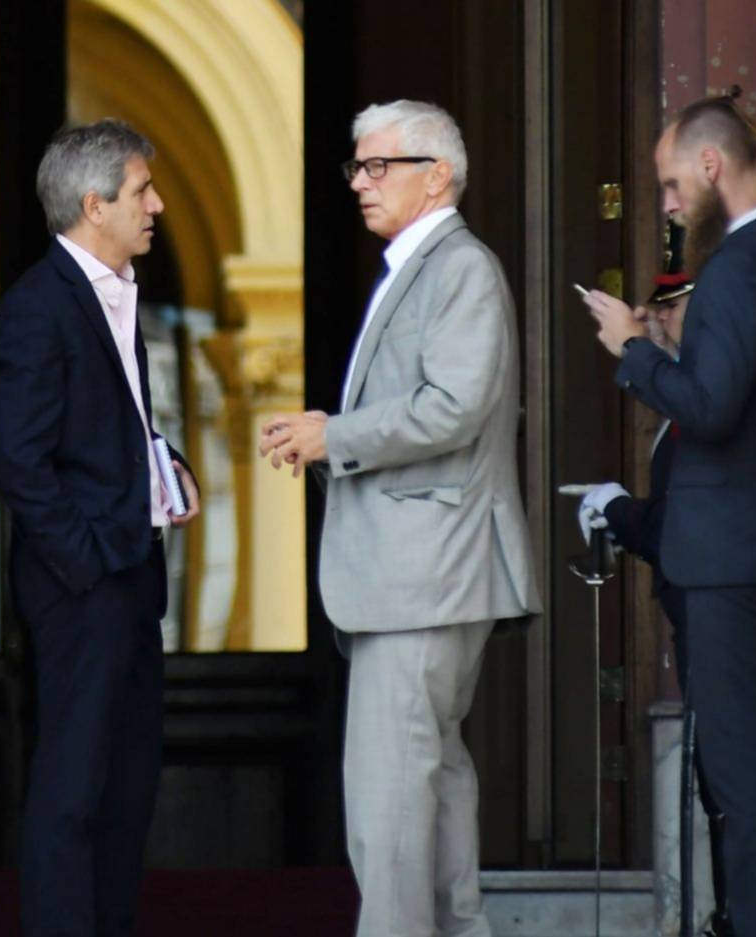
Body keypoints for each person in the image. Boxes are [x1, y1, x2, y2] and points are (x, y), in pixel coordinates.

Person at [259, 100, 540, 937]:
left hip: (424, 575)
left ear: (437, 175)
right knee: (433, 781)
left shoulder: (460, 268)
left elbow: (454, 406)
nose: (359, 182)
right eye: (357, 166)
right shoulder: (426, 267)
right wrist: (330, 434)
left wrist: (334, 435)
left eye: (379, 166)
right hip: (420, 574)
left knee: (387, 803)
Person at [582, 93, 756, 937]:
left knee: (742, 772)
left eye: (669, 185)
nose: (667, 204)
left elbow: (711, 406)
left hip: (726, 563)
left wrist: (632, 349)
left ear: (710, 165)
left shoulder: (734, 267)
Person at [0, 119, 201, 937]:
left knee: (127, 786)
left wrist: (162, 465)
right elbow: (21, 463)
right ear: (94, 203)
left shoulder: (114, 290)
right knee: (73, 791)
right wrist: (89, 559)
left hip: (129, 575)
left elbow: (104, 429)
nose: (158, 205)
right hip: (83, 585)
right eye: (143, 190)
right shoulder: (37, 307)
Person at [577, 269, 735, 937]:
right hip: (700, 612)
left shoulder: (705, 396)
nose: (656, 319)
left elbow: (679, 525)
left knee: (729, 784)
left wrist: (619, 511)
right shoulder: (684, 397)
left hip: (721, 613)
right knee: (717, 782)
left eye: (671, 307)